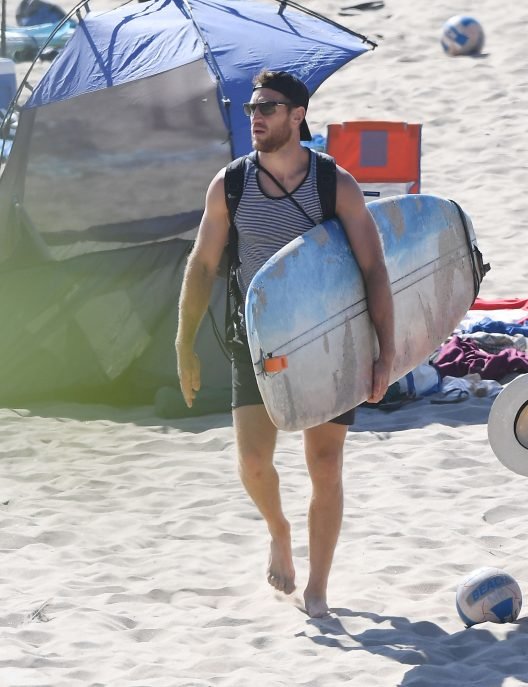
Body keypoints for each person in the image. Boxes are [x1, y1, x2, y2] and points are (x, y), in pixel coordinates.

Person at [175, 69, 395, 618]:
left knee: (325, 463)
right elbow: (202, 264)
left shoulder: (334, 184)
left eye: (268, 107)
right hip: (258, 342)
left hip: (329, 340)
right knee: (253, 462)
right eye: (252, 107)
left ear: (297, 116)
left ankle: (318, 586)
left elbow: (374, 267)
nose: (256, 116)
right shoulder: (229, 185)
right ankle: (278, 529)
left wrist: (386, 351)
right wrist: (184, 344)